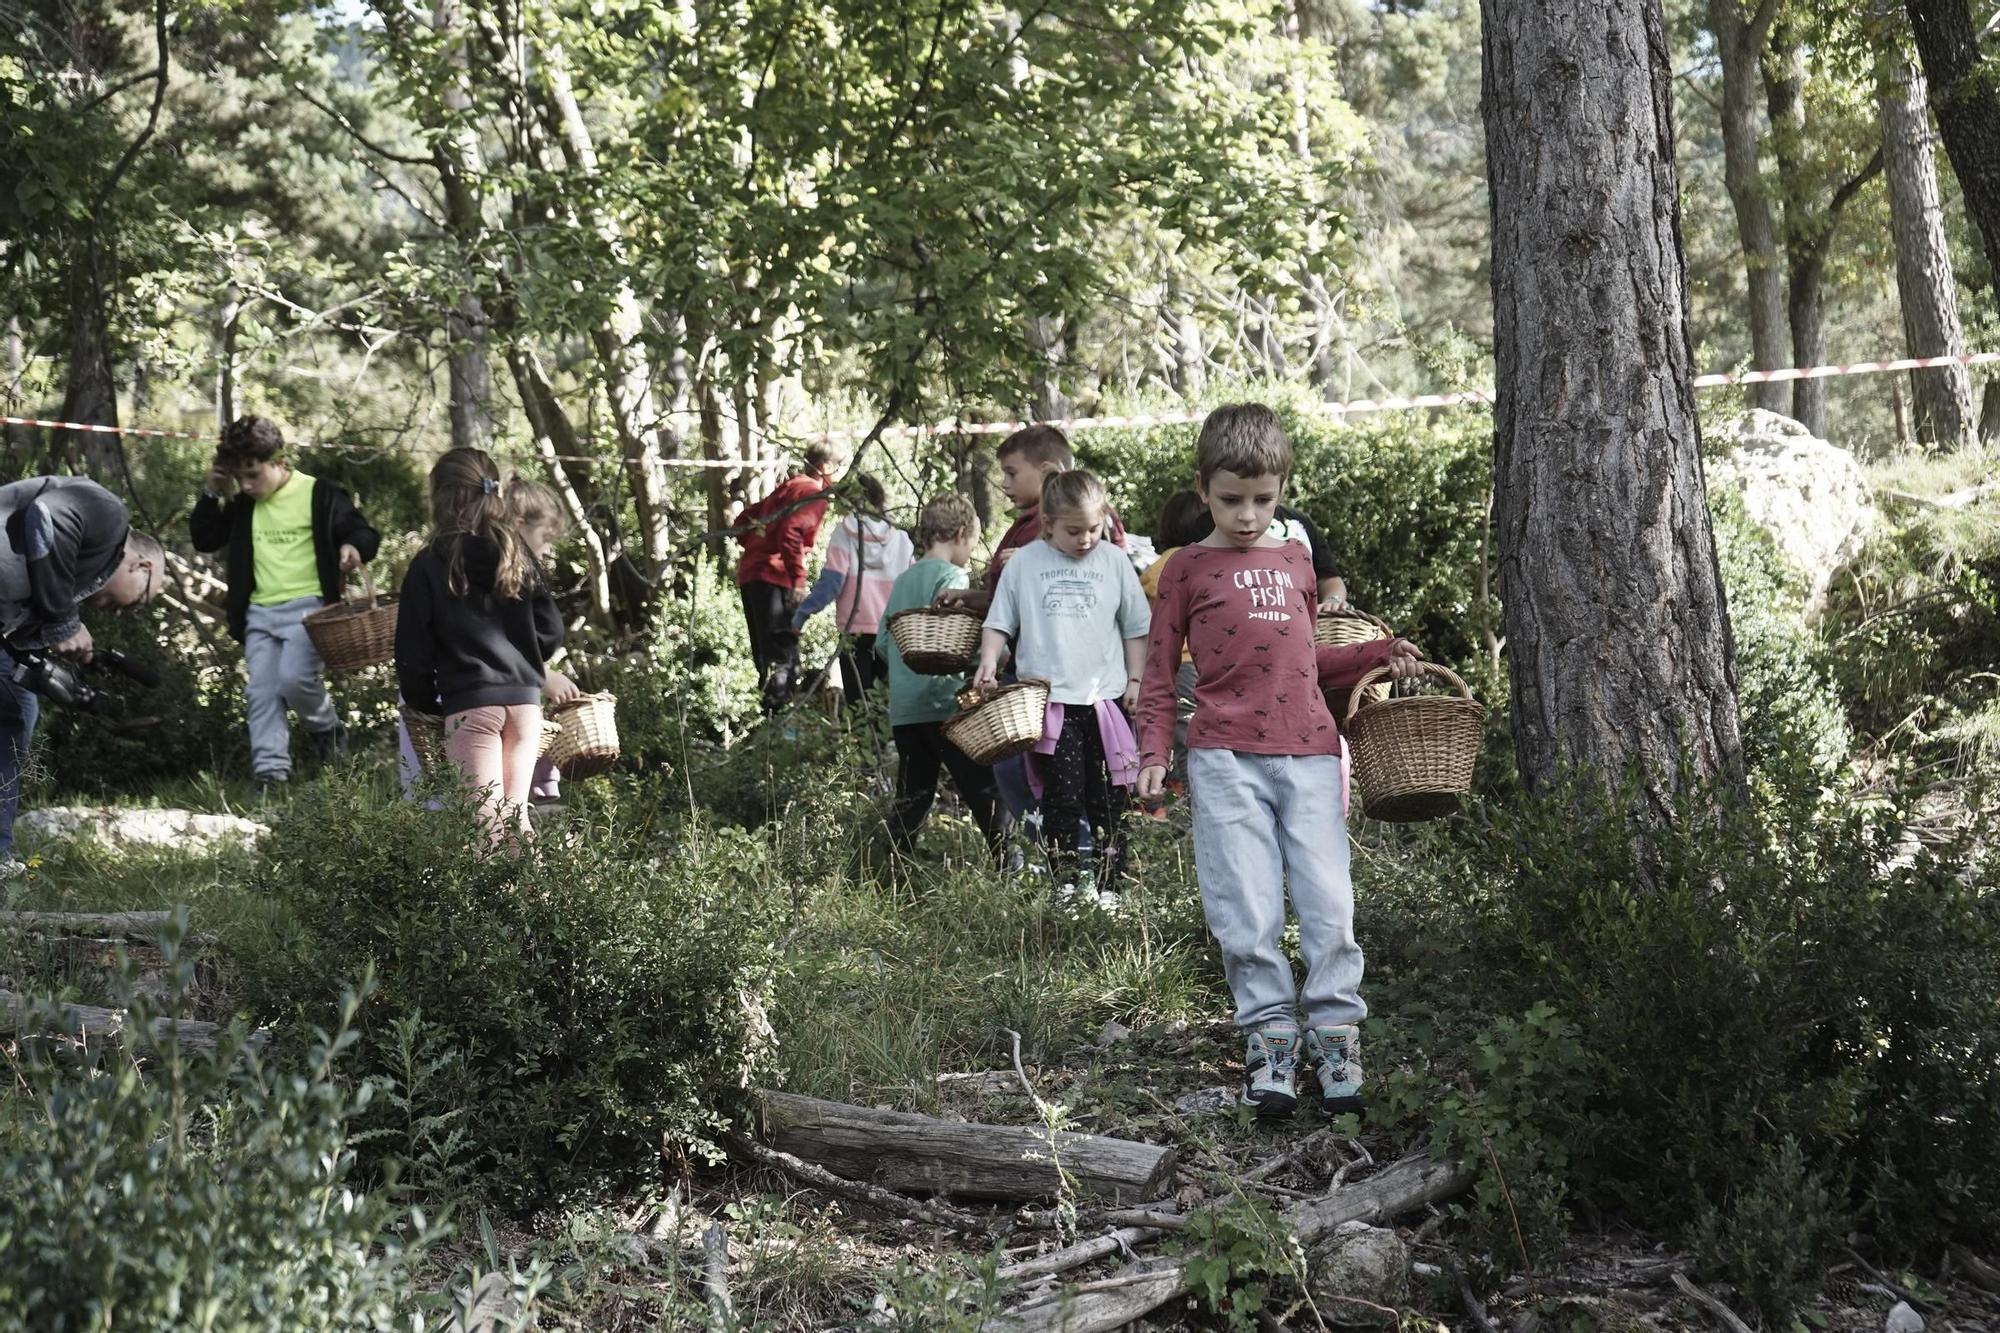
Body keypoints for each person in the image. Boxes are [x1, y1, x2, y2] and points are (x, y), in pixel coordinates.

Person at [1135, 404, 1423, 1119]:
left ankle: (1334, 1038)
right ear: (1203, 489)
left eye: (1264, 499)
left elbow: (1307, 656)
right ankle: (1269, 1041)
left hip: (1312, 752)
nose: (1248, 513)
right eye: (1231, 499)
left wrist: (1379, 652)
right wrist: (1150, 751)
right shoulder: (1185, 569)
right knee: (1247, 903)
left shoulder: (1297, 561)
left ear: (1282, 487)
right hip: (1225, 755)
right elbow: (1160, 672)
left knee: (1329, 901)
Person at [974, 470, 1150, 908]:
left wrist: (1135, 680)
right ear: (1048, 523)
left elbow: (1135, 629)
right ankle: (1067, 885)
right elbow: (999, 622)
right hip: (1049, 703)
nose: (1086, 538)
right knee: (1061, 796)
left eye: (1094, 528)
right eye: (1074, 530)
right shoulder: (1026, 565)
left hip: (1105, 701)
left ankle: (1113, 888)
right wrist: (988, 661)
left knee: (1110, 796)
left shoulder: (1113, 562)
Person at [395, 449, 576, 843]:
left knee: (485, 827)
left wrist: (427, 703)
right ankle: (539, 903)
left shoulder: (430, 563)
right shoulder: (515, 551)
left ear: (440, 498)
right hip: (526, 707)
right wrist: (525, 662)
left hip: (471, 707)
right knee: (514, 821)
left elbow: (413, 651)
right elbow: (551, 628)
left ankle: (507, 906)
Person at [190, 415, 380, 788]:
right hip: (259, 614)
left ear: (279, 461)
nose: (245, 485)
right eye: (238, 478)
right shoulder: (245, 504)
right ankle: (271, 774)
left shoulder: (319, 494)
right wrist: (212, 492)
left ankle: (328, 731)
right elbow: (206, 538)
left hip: (309, 613)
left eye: (253, 475)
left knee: (294, 679)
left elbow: (362, 531)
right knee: (261, 690)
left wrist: (352, 545)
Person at [0, 477, 162, 873]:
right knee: (11, 715)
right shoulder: (109, 516)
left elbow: (15, 638)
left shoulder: (76, 573)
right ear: (141, 565)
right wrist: (63, 621)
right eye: (140, 600)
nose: (123, 612)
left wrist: (59, 676)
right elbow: (46, 516)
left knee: (20, 707)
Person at [878, 495, 1003, 860]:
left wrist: (906, 672)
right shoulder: (953, 577)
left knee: (914, 792)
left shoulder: (903, 580)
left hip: (905, 708)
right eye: (973, 544)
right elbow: (959, 637)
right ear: (962, 534)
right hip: (946, 703)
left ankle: (895, 863)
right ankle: (1008, 859)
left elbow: (885, 643)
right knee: (980, 785)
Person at [791, 474, 913, 703]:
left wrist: (802, 614)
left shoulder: (844, 534)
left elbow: (831, 584)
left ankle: (860, 739)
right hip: (893, 630)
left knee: (859, 705)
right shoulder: (901, 539)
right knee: (887, 703)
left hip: (855, 631)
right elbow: (913, 585)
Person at [735, 445, 838, 713]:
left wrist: (757, 543)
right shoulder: (813, 493)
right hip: (775, 578)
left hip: (753, 575)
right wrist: (798, 579)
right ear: (826, 467)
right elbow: (791, 531)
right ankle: (780, 727)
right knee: (783, 659)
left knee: (767, 658)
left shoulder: (788, 487)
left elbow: (743, 520)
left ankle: (771, 726)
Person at [1138, 490, 1214, 791]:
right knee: (1194, 730)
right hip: (1197, 661)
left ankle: (1186, 793)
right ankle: (1192, 794)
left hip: (1176, 662)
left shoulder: (1161, 565)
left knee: (1185, 730)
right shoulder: (1198, 560)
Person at [1184, 496, 1348, 608]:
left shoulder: (1300, 521)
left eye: (1263, 498)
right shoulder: (1212, 522)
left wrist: (1332, 602)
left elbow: (1330, 579)